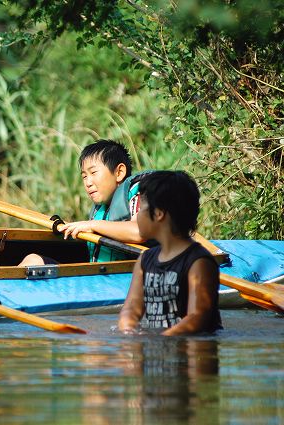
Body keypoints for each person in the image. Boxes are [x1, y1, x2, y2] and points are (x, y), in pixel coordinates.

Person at [118, 171, 222, 336]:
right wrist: (128, 330)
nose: (136, 217)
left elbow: (198, 317)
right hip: (158, 350)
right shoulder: (145, 260)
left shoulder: (198, 262)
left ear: (159, 213)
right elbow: (131, 307)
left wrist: (163, 339)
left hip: (192, 350)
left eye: (141, 209)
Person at [19, 139, 150, 266]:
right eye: (84, 176)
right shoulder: (101, 208)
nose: (88, 182)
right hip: (96, 278)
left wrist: (92, 225)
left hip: (121, 281)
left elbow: (139, 232)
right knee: (33, 260)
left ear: (119, 172)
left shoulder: (138, 194)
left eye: (93, 172)